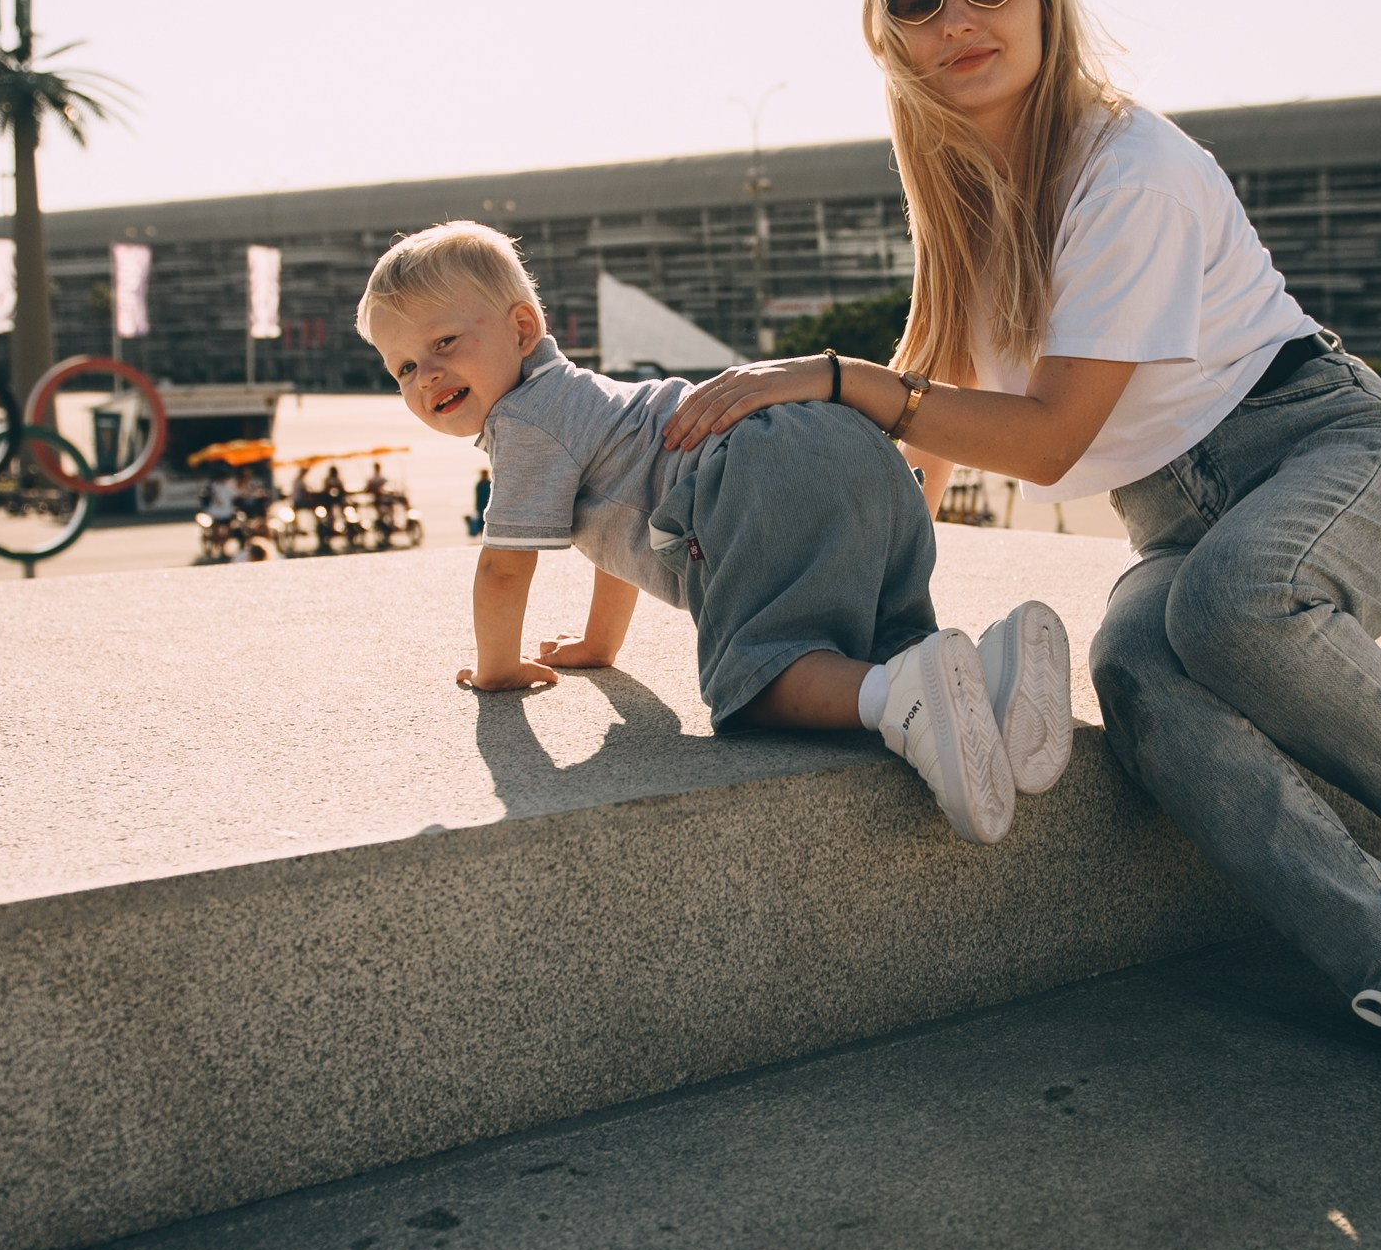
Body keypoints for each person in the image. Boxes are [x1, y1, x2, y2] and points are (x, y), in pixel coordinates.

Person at [660, 0, 1381, 1133]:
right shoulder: (965, 192)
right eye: (917, 0)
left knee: (1227, 605)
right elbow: (930, 400)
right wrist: (895, 642)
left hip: (1332, 454)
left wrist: (833, 378)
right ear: (890, 36)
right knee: (1135, 670)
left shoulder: (1131, 172)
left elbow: (1046, 436)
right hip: (1180, 519)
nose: (957, 19)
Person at [356, 221, 1073, 844]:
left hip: (756, 476)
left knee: (759, 679)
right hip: (851, 446)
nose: (428, 376)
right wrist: (600, 648)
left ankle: (904, 700)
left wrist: (497, 670)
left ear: (521, 329)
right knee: (878, 641)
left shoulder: (525, 421)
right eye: (404, 368)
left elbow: (504, 569)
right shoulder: (588, 401)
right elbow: (620, 535)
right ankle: (992, 681)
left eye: (444, 342)